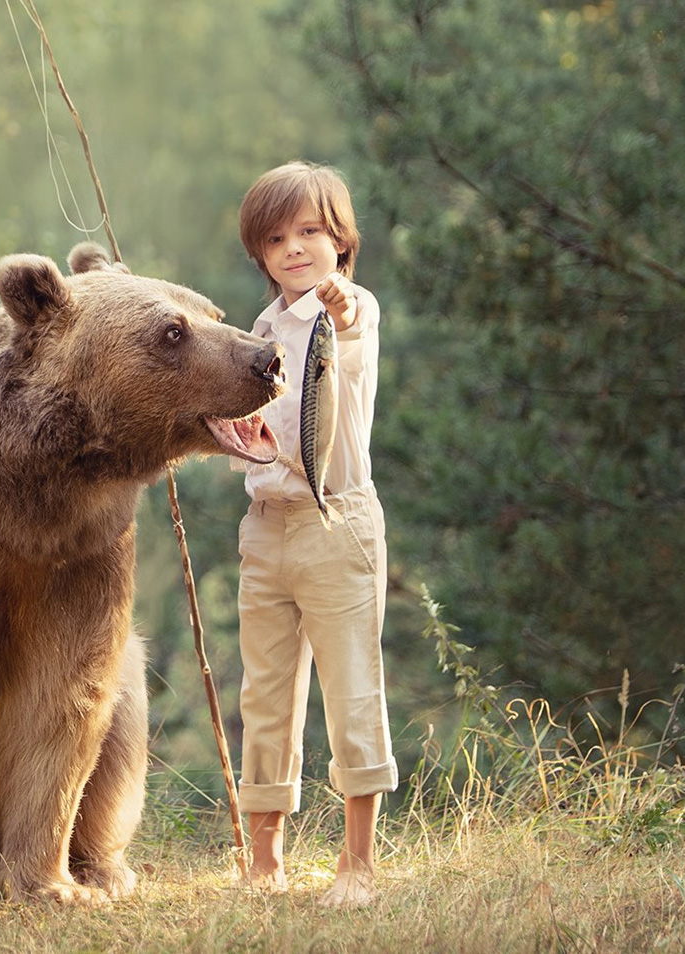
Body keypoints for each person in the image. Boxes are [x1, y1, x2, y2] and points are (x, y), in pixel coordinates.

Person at [229, 160, 396, 907]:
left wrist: (336, 304)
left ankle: (356, 867)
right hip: (266, 528)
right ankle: (264, 863)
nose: (294, 248)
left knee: (351, 690)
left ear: (340, 240)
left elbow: (351, 324)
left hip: (337, 524)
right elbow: (261, 432)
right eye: (275, 237)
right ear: (259, 254)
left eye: (309, 231)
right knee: (264, 693)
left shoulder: (348, 307)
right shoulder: (260, 330)